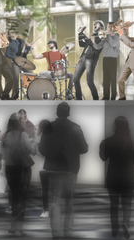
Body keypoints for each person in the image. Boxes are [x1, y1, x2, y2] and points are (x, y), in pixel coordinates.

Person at [40, 101, 89, 239]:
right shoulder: (76, 128)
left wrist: (51, 154)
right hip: (71, 168)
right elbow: (84, 149)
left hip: (53, 168)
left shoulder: (49, 127)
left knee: (54, 199)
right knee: (69, 200)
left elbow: (42, 149)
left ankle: (56, 232)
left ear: (56, 112)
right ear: (68, 113)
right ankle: (68, 231)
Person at [99, 117, 134, 240]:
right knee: (127, 204)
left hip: (113, 177)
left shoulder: (107, 142)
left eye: (113, 123)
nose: (112, 125)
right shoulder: (132, 142)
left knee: (114, 204)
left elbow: (103, 158)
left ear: (117, 126)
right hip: (128, 177)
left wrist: (101, 146)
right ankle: (126, 223)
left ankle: (115, 230)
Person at [1, 116, 35, 237]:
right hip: (22, 168)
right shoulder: (23, 135)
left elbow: (4, 155)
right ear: (18, 123)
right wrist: (33, 141)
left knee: (14, 196)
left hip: (10, 168)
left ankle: (13, 225)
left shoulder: (5, 136)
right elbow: (32, 151)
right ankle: (19, 228)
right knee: (22, 197)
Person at [74, 23, 105, 101]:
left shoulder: (102, 36)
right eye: (94, 24)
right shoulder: (93, 36)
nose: (94, 25)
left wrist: (81, 33)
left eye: (97, 24)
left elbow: (92, 43)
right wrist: (80, 34)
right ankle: (78, 98)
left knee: (89, 82)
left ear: (101, 26)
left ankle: (96, 99)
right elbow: (82, 44)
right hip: (83, 59)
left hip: (91, 59)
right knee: (75, 79)